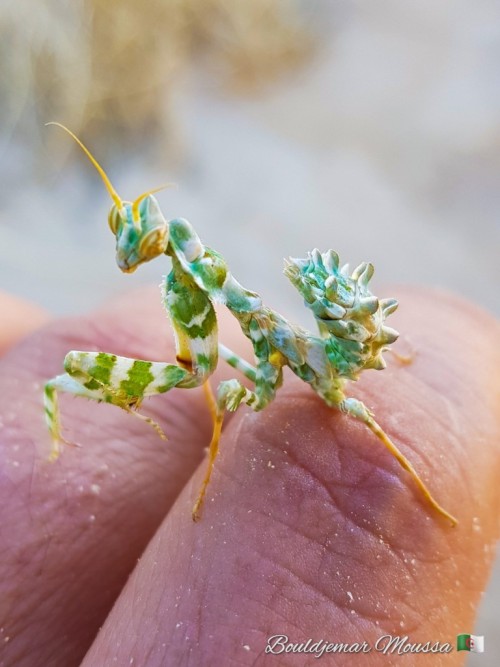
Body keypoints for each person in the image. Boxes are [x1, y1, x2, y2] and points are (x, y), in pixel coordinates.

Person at [0, 286, 498, 666]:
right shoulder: (236, 308)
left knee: (354, 442)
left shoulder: (245, 312)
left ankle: (425, 493)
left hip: (341, 366)